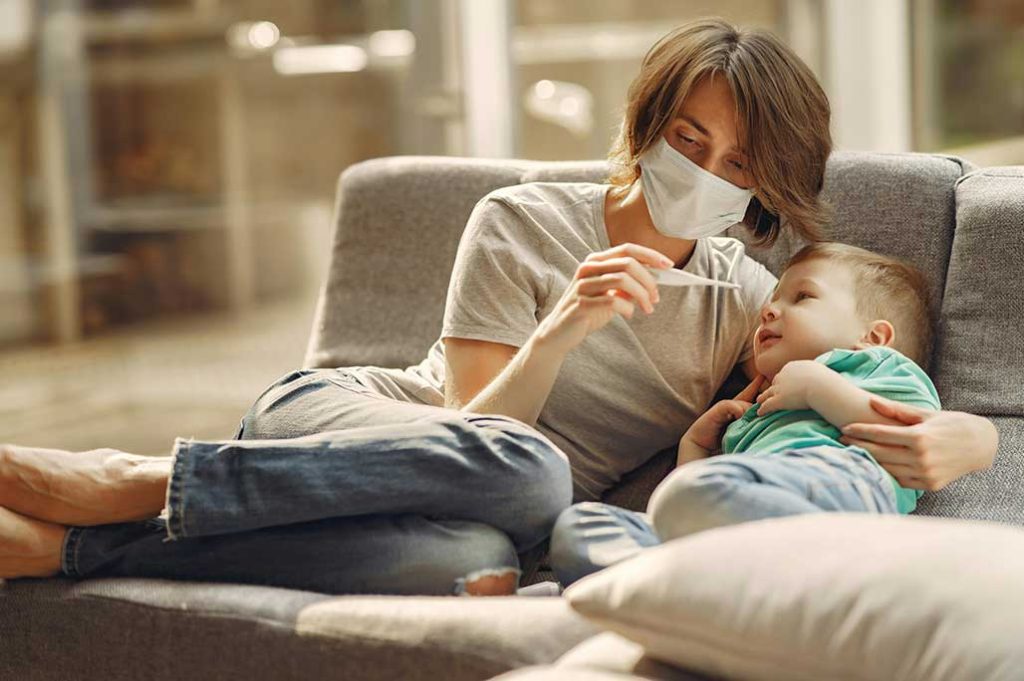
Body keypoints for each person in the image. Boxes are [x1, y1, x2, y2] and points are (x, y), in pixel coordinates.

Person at [0, 19, 997, 595]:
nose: (703, 173)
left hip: (467, 510)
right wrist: (565, 324)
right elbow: (474, 430)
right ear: (648, 122)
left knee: (471, 555)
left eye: (736, 165)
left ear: (765, 190)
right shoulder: (520, 220)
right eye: (688, 141)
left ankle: (81, 547)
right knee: (527, 469)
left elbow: (851, 386)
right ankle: (136, 477)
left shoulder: (748, 303)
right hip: (348, 424)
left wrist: (971, 444)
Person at [550, 242, 951, 586]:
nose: (769, 310)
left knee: (690, 497)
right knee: (579, 528)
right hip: (738, 524)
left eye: (801, 297)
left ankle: (671, 588)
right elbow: (696, 504)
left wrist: (817, 387)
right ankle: (681, 595)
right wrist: (694, 445)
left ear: (873, 337)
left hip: (841, 490)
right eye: (773, 298)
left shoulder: (880, 367)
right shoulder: (759, 407)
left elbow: (910, 437)